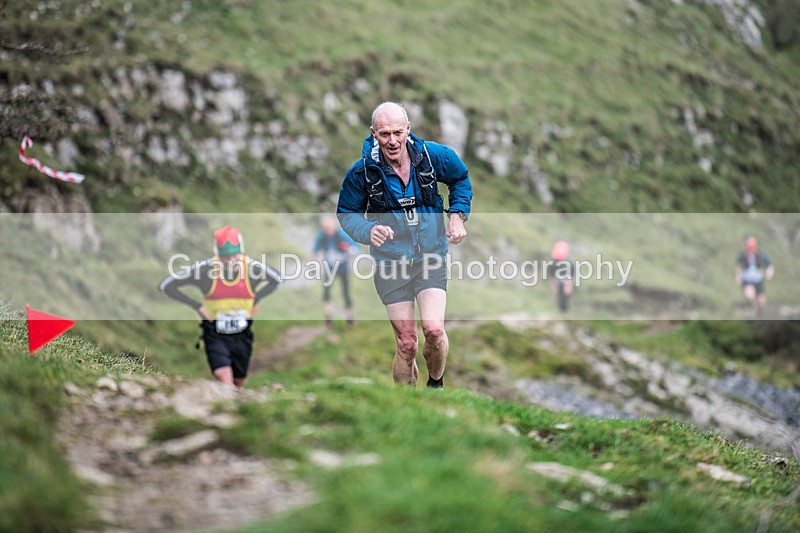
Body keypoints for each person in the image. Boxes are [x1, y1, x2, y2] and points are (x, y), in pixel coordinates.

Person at [337, 102, 472, 388]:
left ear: (408, 129)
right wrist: (367, 230)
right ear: (373, 133)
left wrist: (457, 218)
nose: (392, 140)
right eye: (384, 134)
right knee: (407, 342)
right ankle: (408, 404)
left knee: (434, 330)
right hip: (390, 263)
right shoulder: (361, 173)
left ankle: (435, 387)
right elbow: (346, 213)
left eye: (398, 132)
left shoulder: (433, 156)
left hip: (430, 255)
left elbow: (461, 178)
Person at [159, 226, 282, 388]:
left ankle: (235, 409)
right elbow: (167, 285)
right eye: (226, 258)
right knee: (224, 377)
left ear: (241, 253)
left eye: (235, 256)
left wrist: (254, 300)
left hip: (242, 334)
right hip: (214, 333)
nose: (231, 261)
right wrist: (197, 307)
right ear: (218, 255)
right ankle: (223, 407)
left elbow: (277, 279)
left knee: (238, 383)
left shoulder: (253, 269)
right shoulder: (205, 270)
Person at [313, 214, 359, 326]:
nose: (327, 228)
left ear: (334, 224)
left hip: (342, 267)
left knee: (346, 293)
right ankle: (328, 319)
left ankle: (350, 318)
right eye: (324, 226)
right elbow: (315, 251)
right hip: (329, 267)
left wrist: (348, 249)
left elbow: (355, 248)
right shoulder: (322, 236)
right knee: (327, 293)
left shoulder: (341, 234)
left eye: (328, 225)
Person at [735, 236, 774, 315]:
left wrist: (769, 273)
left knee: (762, 303)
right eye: (749, 247)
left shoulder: (761, 255)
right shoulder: (743, 255)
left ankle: (760, 314)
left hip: (758, 281)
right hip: (747, 280)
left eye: (753, 247)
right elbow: (738, 265)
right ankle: (752, 307)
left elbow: (769, 265)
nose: (751, 249)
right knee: (750, 296)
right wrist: (738, 276)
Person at [547, 240, 574, 312]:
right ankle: (560, 310)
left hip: (567, 280)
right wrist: (553, 287)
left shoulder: (570, 262)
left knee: (566, 297)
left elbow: (573, 275)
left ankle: (566, 311)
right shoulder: (552, 261)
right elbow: (550, 276)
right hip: (557, 281)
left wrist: (569, 285)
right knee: (560, 297)